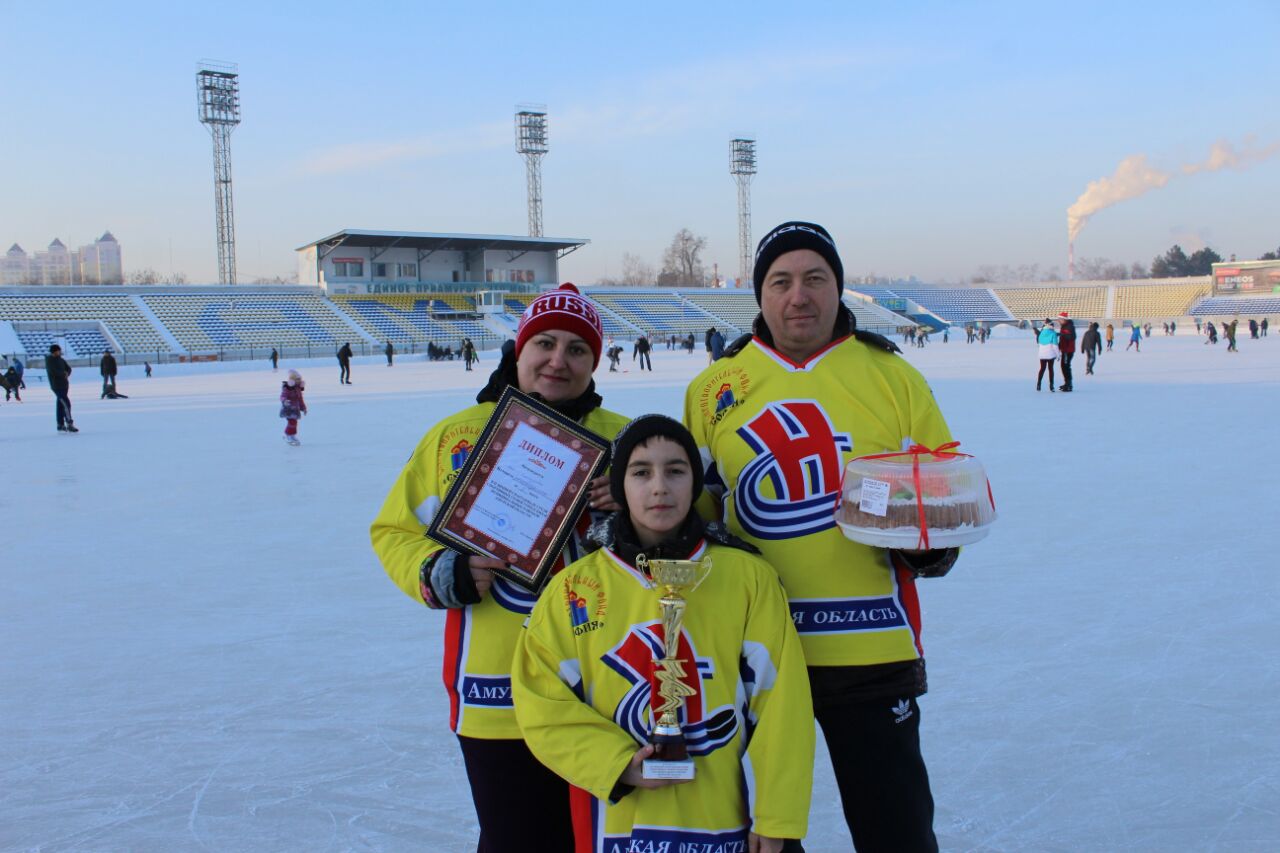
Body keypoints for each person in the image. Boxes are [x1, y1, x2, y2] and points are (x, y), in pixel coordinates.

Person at [683, 222, 960, 852]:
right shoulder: (712, 389)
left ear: (839, 289)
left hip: (871, 648)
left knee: (897, 832)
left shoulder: (893, 376)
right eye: (780, 282)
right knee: (765, 837)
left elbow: (944, 490)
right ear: (761, 294)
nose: (798, 296)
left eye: (815, 279)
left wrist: (932, 545)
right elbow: (690, 517)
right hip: (754, 651)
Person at [371, 283, 630, 853]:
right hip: (497, 691)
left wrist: (639, 509)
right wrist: (443, 570)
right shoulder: (457, 436)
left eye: (577, 349)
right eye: (545, 343)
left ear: (594, 361)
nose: (558, 360)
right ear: (519, 348)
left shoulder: (627, 441)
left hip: (606, 688)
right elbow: (393, 531)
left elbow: (692, 531)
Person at [512, 415, 814, 853]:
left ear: (694, 482)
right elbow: (539, 697)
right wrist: (614, 763)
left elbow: (781, 704)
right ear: (619, 487)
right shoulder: (575, 587)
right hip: (619, 821)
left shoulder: (748, 576)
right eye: (640, 472)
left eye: (676, 470)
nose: (659, 486)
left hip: (721, 815)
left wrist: (777, 816)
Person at [47, 344, 77, 433]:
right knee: (66, 404)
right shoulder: (50, 361)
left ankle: (60, 424)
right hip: (57, 386)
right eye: (57, 351)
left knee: (60, 405)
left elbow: (68, 368)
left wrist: (67, 372)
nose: (59, 352)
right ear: (54, 352)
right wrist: (63, 374)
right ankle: (69, 423)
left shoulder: (61, 360)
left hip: (64, 385)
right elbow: (54, 372)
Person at [279, 369, 307, 446]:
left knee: (294, 423)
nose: (299, 381)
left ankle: (292, 435)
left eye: (300, 379)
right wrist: (285, 401)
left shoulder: (298, 388)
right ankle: (288, 435)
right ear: (293, 380)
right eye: (297, 379)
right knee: (292, 422)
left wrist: (303, 408)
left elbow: (300, 399)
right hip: (288, 409)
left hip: (295, 409)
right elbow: (282, 396)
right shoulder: (287, 388)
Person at [1056, 313, 1076, 392]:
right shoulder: (1064, 326)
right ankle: (1067, 383)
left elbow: (1072, 337)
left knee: (1066, 366)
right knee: (1064, 366)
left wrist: (1062, 334)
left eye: (1059, 319)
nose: (1058, 320)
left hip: (1068, 350)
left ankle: (1069, 384)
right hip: (1065, 349)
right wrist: (1058, 346)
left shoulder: (1069, 326)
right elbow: (1063, 338)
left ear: (1064, 319)